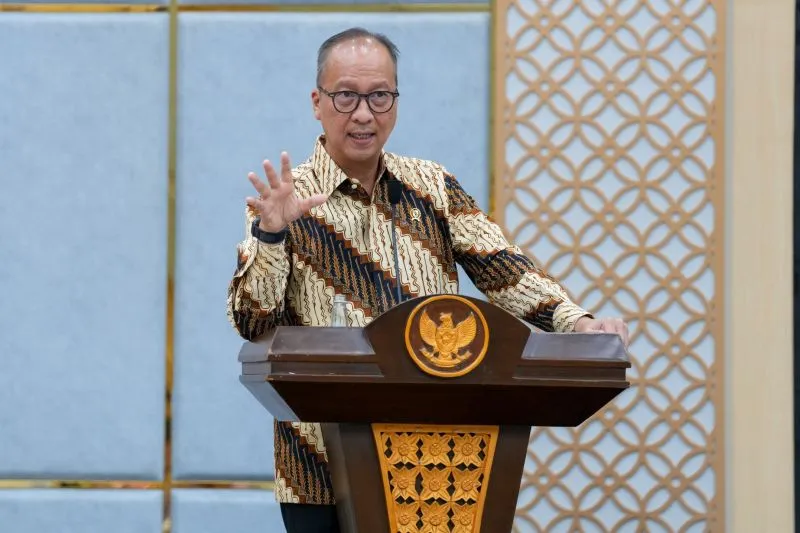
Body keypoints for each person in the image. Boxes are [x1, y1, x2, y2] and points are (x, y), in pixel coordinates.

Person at [226, 27, 630, 533]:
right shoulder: (281, 201)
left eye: (380, 96)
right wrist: (271, 235)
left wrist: (578, 324)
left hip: (436, 464)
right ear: (317, 102)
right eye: (346, 96)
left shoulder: (432, 187)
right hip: (319, 465)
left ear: (396, 102)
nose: (364, 113)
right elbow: (252, 322)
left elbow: (504, 268)